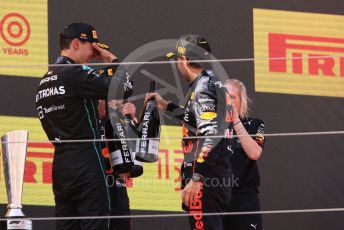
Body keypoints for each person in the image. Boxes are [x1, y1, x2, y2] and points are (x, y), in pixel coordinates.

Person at [35, 22, 124, 230]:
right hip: (86, 162)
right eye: (92, 47)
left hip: (61, 167)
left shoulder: (44, 81)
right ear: (76, 43)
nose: (93, 54)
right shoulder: (74, 73)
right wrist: (112, 60)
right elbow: (123, 88)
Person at [146, 34, 233, 230]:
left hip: (205, 180)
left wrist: (196, 179)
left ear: (184, 60)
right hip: (214, 176)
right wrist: (167, 106)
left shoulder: (203, 88)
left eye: (176, 59)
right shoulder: (210, 82)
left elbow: (211, 134)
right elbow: (198, 120)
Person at [222, 79, 265, 230]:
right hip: (216, 196)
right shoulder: (211, 127)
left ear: (242, 101)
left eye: (232, 97)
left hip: (244, 198)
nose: (228, 101)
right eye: (224, 96)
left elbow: (254, 153)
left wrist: (235, 121)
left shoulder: (255, 124)